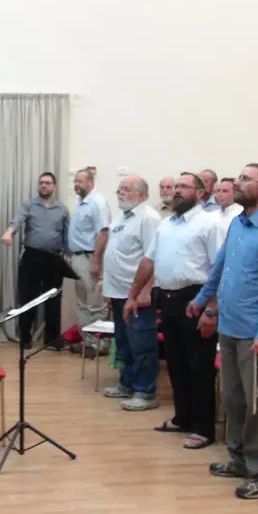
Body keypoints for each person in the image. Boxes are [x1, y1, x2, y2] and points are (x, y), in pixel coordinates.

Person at [187, 164, 258, 500]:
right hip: (230, 325)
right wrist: (202, 299)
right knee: (234, 398)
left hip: (256, 332)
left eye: (246, 179)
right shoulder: (237, 222)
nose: (237, 182)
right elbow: (221, 266)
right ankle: (239, 458)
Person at [126, 173, 221, 444]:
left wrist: (211, 308)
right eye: (176, 186)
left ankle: (203, 429)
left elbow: (219, 268)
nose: (177, 191)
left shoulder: (210, 223)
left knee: (199, 365)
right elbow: (148, 261)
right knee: (176, 364)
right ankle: (182, 418)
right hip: (167, 299)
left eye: (184, 187)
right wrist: (133, 295)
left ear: (200, 193)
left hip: (196, 299)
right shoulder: (166, 224)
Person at [102, 176, 161, 410]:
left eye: (127, 189)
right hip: (118, 293)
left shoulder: (149, 218)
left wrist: (145, 291)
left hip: (137, 295)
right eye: (119, 189)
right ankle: (127, 384)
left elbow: (153, 257)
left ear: (142, 195)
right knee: (124, 342)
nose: (121, 193)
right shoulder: (121, 217)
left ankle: (145, 392)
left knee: (142, 343)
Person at [2, 172, 71, 348]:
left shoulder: (62, 209)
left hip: (54, 258)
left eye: (47, 183)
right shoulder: (29, 205)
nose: (43, 185)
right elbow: (17, 221)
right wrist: (9, 233)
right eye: (41, 183)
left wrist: (69, 257)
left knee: (53, 298)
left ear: (54, 187)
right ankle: (25, 338)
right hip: (32, 256)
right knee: (27, 297)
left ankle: (52, 339)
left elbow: (67, 235)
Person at [66, 168, 111, 353]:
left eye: (80, 181)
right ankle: (87, 342)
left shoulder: (97, 203)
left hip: (90, 257)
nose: (76, 184)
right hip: (78, 258)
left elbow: (104, 233)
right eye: (75, 181)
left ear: (90, 183)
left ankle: (99, 345)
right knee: (82, 303)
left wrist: (96, 261)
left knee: (95, 303)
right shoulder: (80, 202)